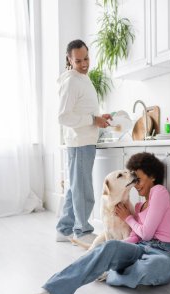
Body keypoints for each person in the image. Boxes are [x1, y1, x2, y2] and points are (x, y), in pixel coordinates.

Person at [19, 153, 170, 294]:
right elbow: (135, 237)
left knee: (153, 267)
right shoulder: (138, 206)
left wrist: (127, 218)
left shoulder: (159, 192)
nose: (136, 185)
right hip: (140, 248)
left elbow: (146, 233)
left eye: (138, 179)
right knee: (109, 246)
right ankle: (46, 293)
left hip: (163, 253)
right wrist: (108, 252)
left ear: (153, 176)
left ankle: (110, 275)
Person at [56, 39, 112, 244]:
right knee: (83, 190)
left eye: (86, 58)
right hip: (80, 143)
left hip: (84, 141)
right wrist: (92, 119)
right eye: (78, 60)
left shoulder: (81, 79)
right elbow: (63, 117)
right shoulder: (71, 81)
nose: (84, 63)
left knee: (75, 188)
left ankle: (64, 229)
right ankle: (82, 231)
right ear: (69, 60)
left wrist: (98, 117)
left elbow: (81, 110)